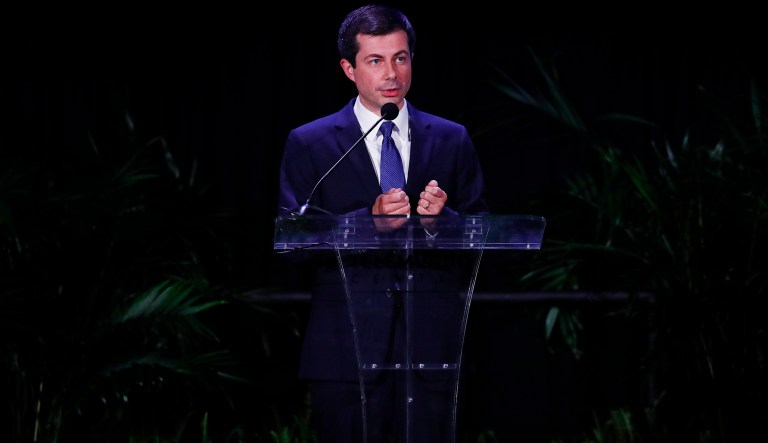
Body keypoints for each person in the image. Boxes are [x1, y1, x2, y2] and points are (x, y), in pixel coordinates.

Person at [276, 5, 488, 442]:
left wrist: (441, 222)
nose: (391, 74)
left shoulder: (451, 138)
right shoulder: (311, 142)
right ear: (349, 69)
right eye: (375, 60)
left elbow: (483, 233)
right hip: (346, 354)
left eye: (400, 58)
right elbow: (291, 241)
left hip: (433, 354)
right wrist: (367, 222)